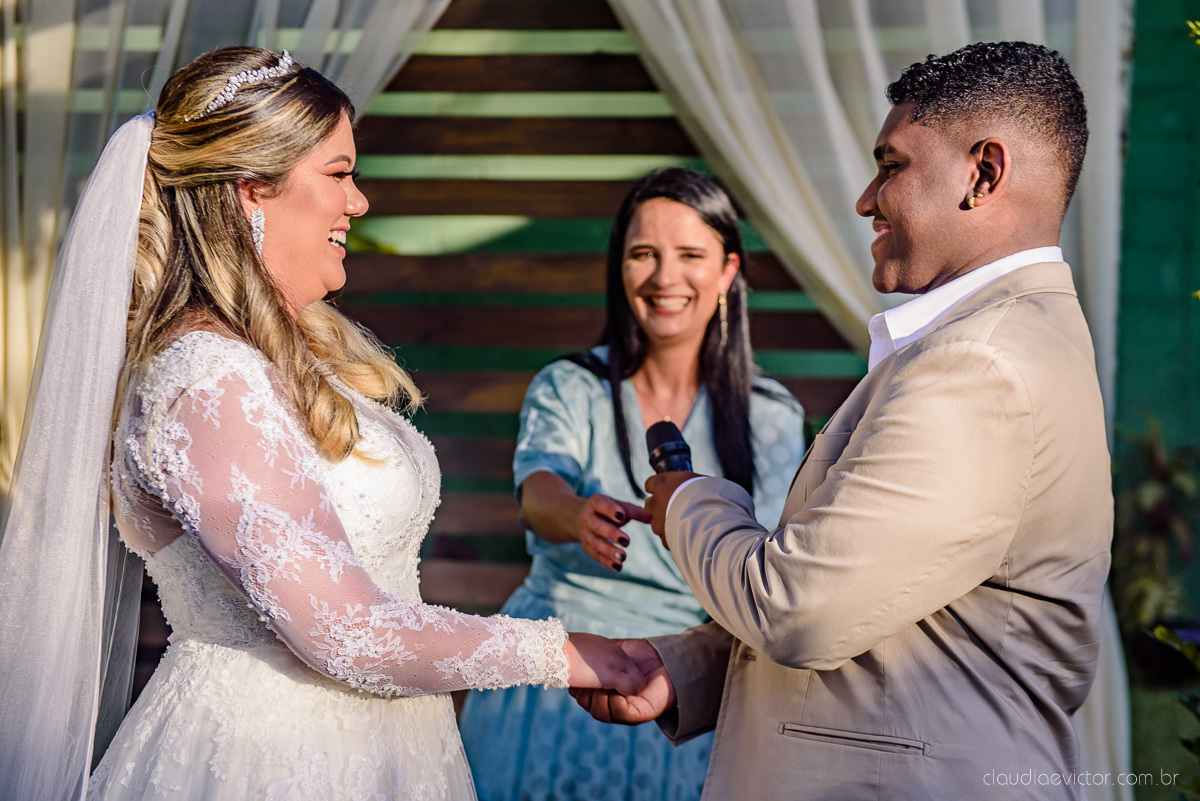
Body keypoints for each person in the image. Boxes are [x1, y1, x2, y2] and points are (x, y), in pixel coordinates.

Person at [0, 46, 646, 801]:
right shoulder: (203, 379)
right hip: (262, 762)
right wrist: (559, 650)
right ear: (251, 191)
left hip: (390, 750)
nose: (358, 202)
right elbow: (347, 628)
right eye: (338, 175)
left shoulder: (291, 351)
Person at [572, 41, 1113, 801]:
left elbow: (800, 611)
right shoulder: (994, 346)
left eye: (891, 165)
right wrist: (685, 667)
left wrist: (691, 500)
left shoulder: (981, 366)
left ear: (983, 173)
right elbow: (893, 610)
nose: (865, 198)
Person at [457, 167, 806, 801]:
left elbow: (778, 563)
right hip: (557, 667)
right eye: (643, 254)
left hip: (680, 675)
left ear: (728, 271)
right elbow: (538, 490)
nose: (664, 277)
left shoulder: (772, 413)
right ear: (620, 268)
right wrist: (574, 513)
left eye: (690, 256)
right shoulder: (569, 384)